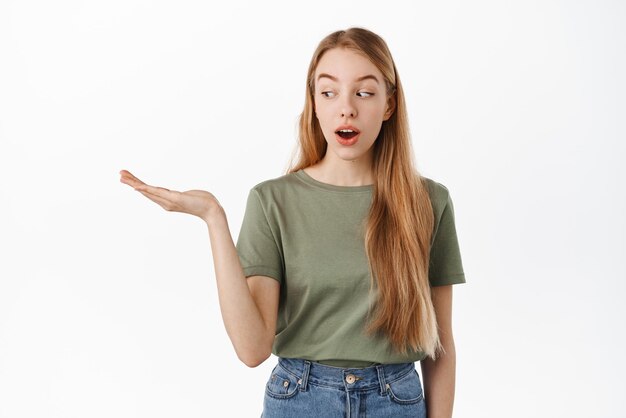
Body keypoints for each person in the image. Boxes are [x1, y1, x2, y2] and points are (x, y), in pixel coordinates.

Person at [120, 27, 465, 418]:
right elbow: (252, 350)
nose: (346, 108)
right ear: (314, 104)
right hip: (301, 400)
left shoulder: (428, 203)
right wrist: (214, 219)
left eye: (364, 92)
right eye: (329, 92)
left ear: (389, 104)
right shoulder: (273, 202)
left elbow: (441, 346)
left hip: (397, 401)